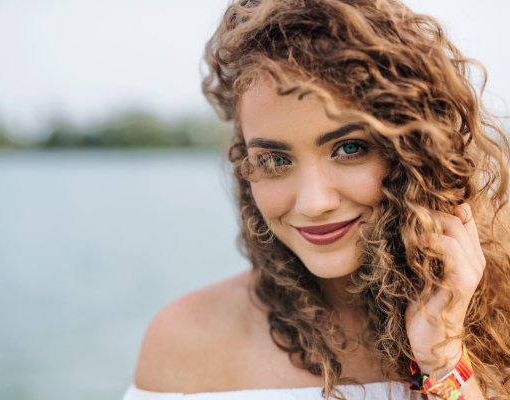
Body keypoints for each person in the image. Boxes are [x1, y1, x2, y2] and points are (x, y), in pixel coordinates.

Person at [123, 0, 510, 399]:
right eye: (274, 160)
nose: (313, 203)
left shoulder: (502, 318)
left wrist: (442, 356)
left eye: (349, 148)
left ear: (418, 150)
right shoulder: (186, 340)